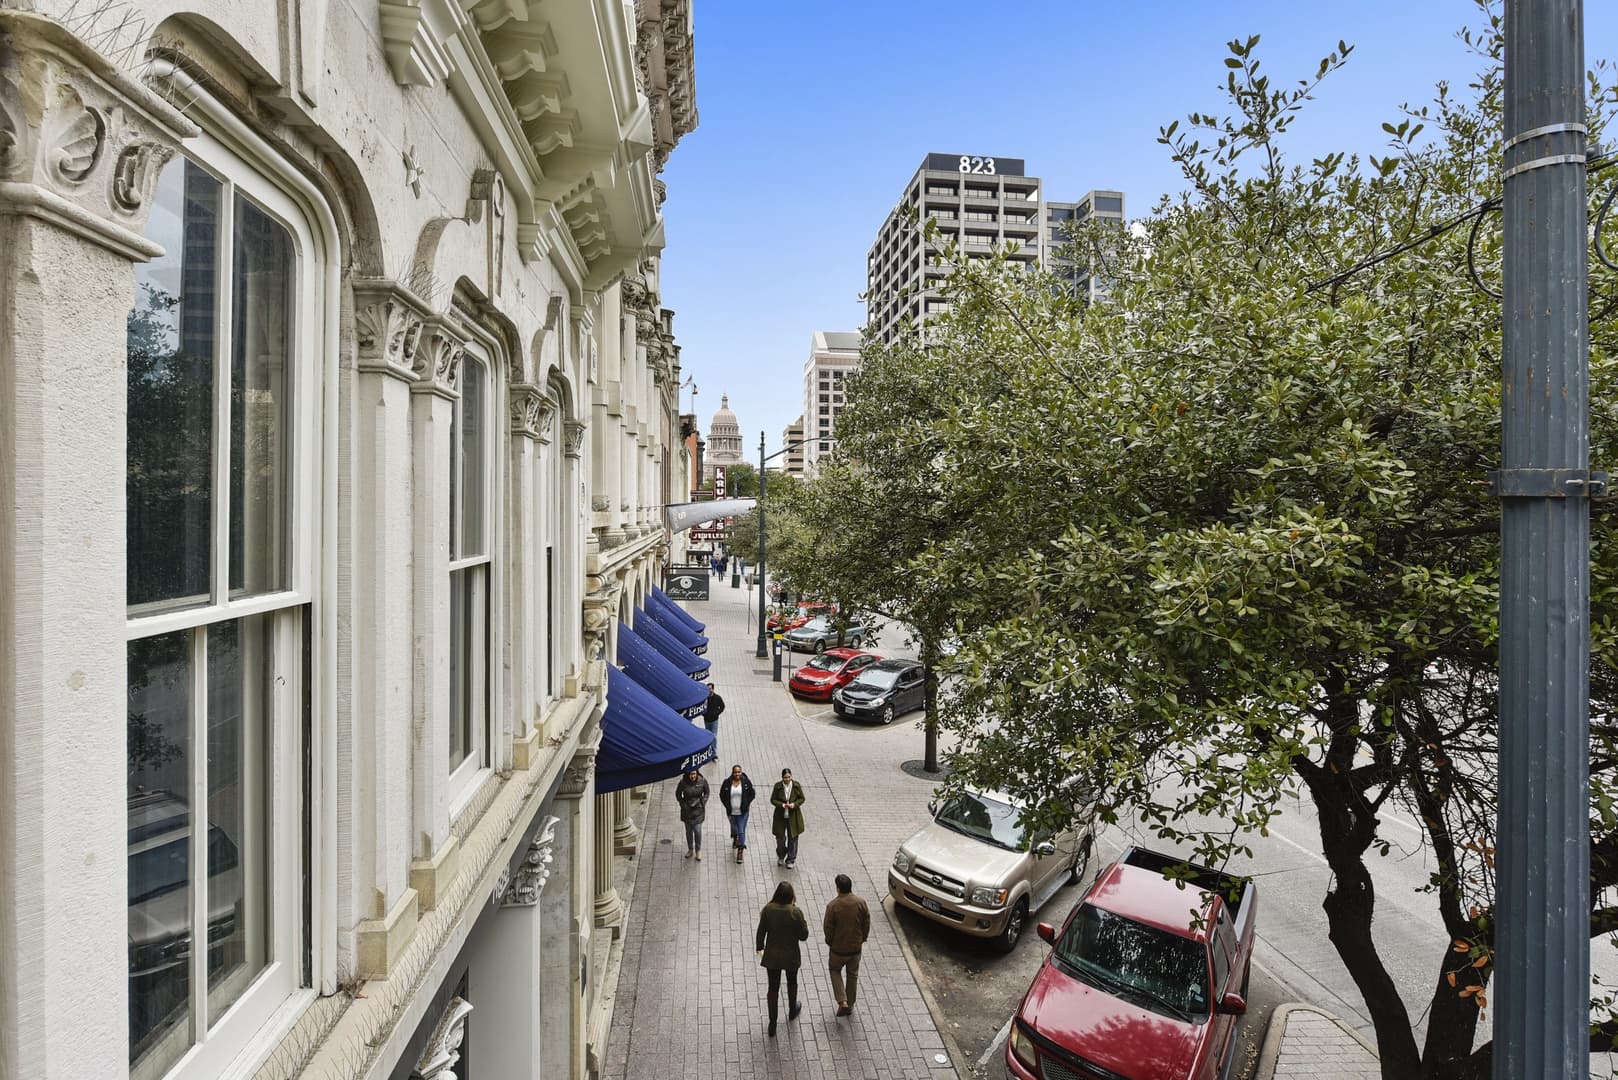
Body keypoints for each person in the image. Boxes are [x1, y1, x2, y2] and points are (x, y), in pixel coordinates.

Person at [755, 881, 809, 1036]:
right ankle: (792, 1009)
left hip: (772, 956)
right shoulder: (795, 912)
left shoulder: (768, 909)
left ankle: (772, 1022)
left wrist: (760, 947)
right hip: (791, 956)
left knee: (773, 988)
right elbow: (803, 936)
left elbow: (761, 932)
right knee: (792, 982)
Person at [823, 873, 871, 1017]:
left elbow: (828, 927)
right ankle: (850, 1005)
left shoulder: (833, 906)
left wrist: (830, 941)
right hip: (855, 949)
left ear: (838, 888)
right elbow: (866, 922)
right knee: (852, 975)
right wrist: (863, 938)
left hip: (838, 949)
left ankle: (841, 1000)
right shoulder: (861, 903)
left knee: (834, 970)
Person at [719, 764, 756, 863]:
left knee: (741, 830)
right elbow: (722, 794)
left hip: (742, 812)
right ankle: (735, 837)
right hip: (731, 812)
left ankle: (740, 850)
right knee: (734, 828)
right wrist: (727, 805)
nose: (737, 774)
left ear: (741, 772)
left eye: (739, 772)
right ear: (732, 772)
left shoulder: (746, 782)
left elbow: (752, 793)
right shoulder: (727, 783)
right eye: (735, 772)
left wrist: (746, 803)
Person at [771, 768, 806, 869]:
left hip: (793, 817)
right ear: (782, 778)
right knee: (780, 838)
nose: (787, 779)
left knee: (793, 838)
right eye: (785, 777)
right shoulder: (778, 786)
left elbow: (802, 798)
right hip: (780, 817)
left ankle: (791, 859)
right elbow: (773, 800)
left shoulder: (796, 786)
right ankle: (781, 855)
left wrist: (794, 804)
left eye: (789, 777)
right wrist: (781, 805)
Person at [675, 768, 709, 860]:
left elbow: (707, 793)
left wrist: (703, 803)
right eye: (691, 774)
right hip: (687, 811)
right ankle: (690, 849)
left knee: (697, 831)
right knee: (689, 831)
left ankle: (698, 850)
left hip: (698, 810)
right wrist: (683, 804)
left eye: (694, 774)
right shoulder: (683, 783)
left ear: (697, 773)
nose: (692, 776)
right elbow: (678, 794)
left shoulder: (702, 781)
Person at [702, 683, 725, 754]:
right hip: (707, 720)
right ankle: (709, 749)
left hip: (714, 720)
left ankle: (714, 752)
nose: (709, 690)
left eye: (710, 688)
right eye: (708, 689)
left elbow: (722, 706)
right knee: (708, 735)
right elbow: (702, 707)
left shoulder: (717, 698)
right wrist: (704, 714)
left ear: (713, 689)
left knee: (714, 736)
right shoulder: (705, 698)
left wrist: (717, 713)